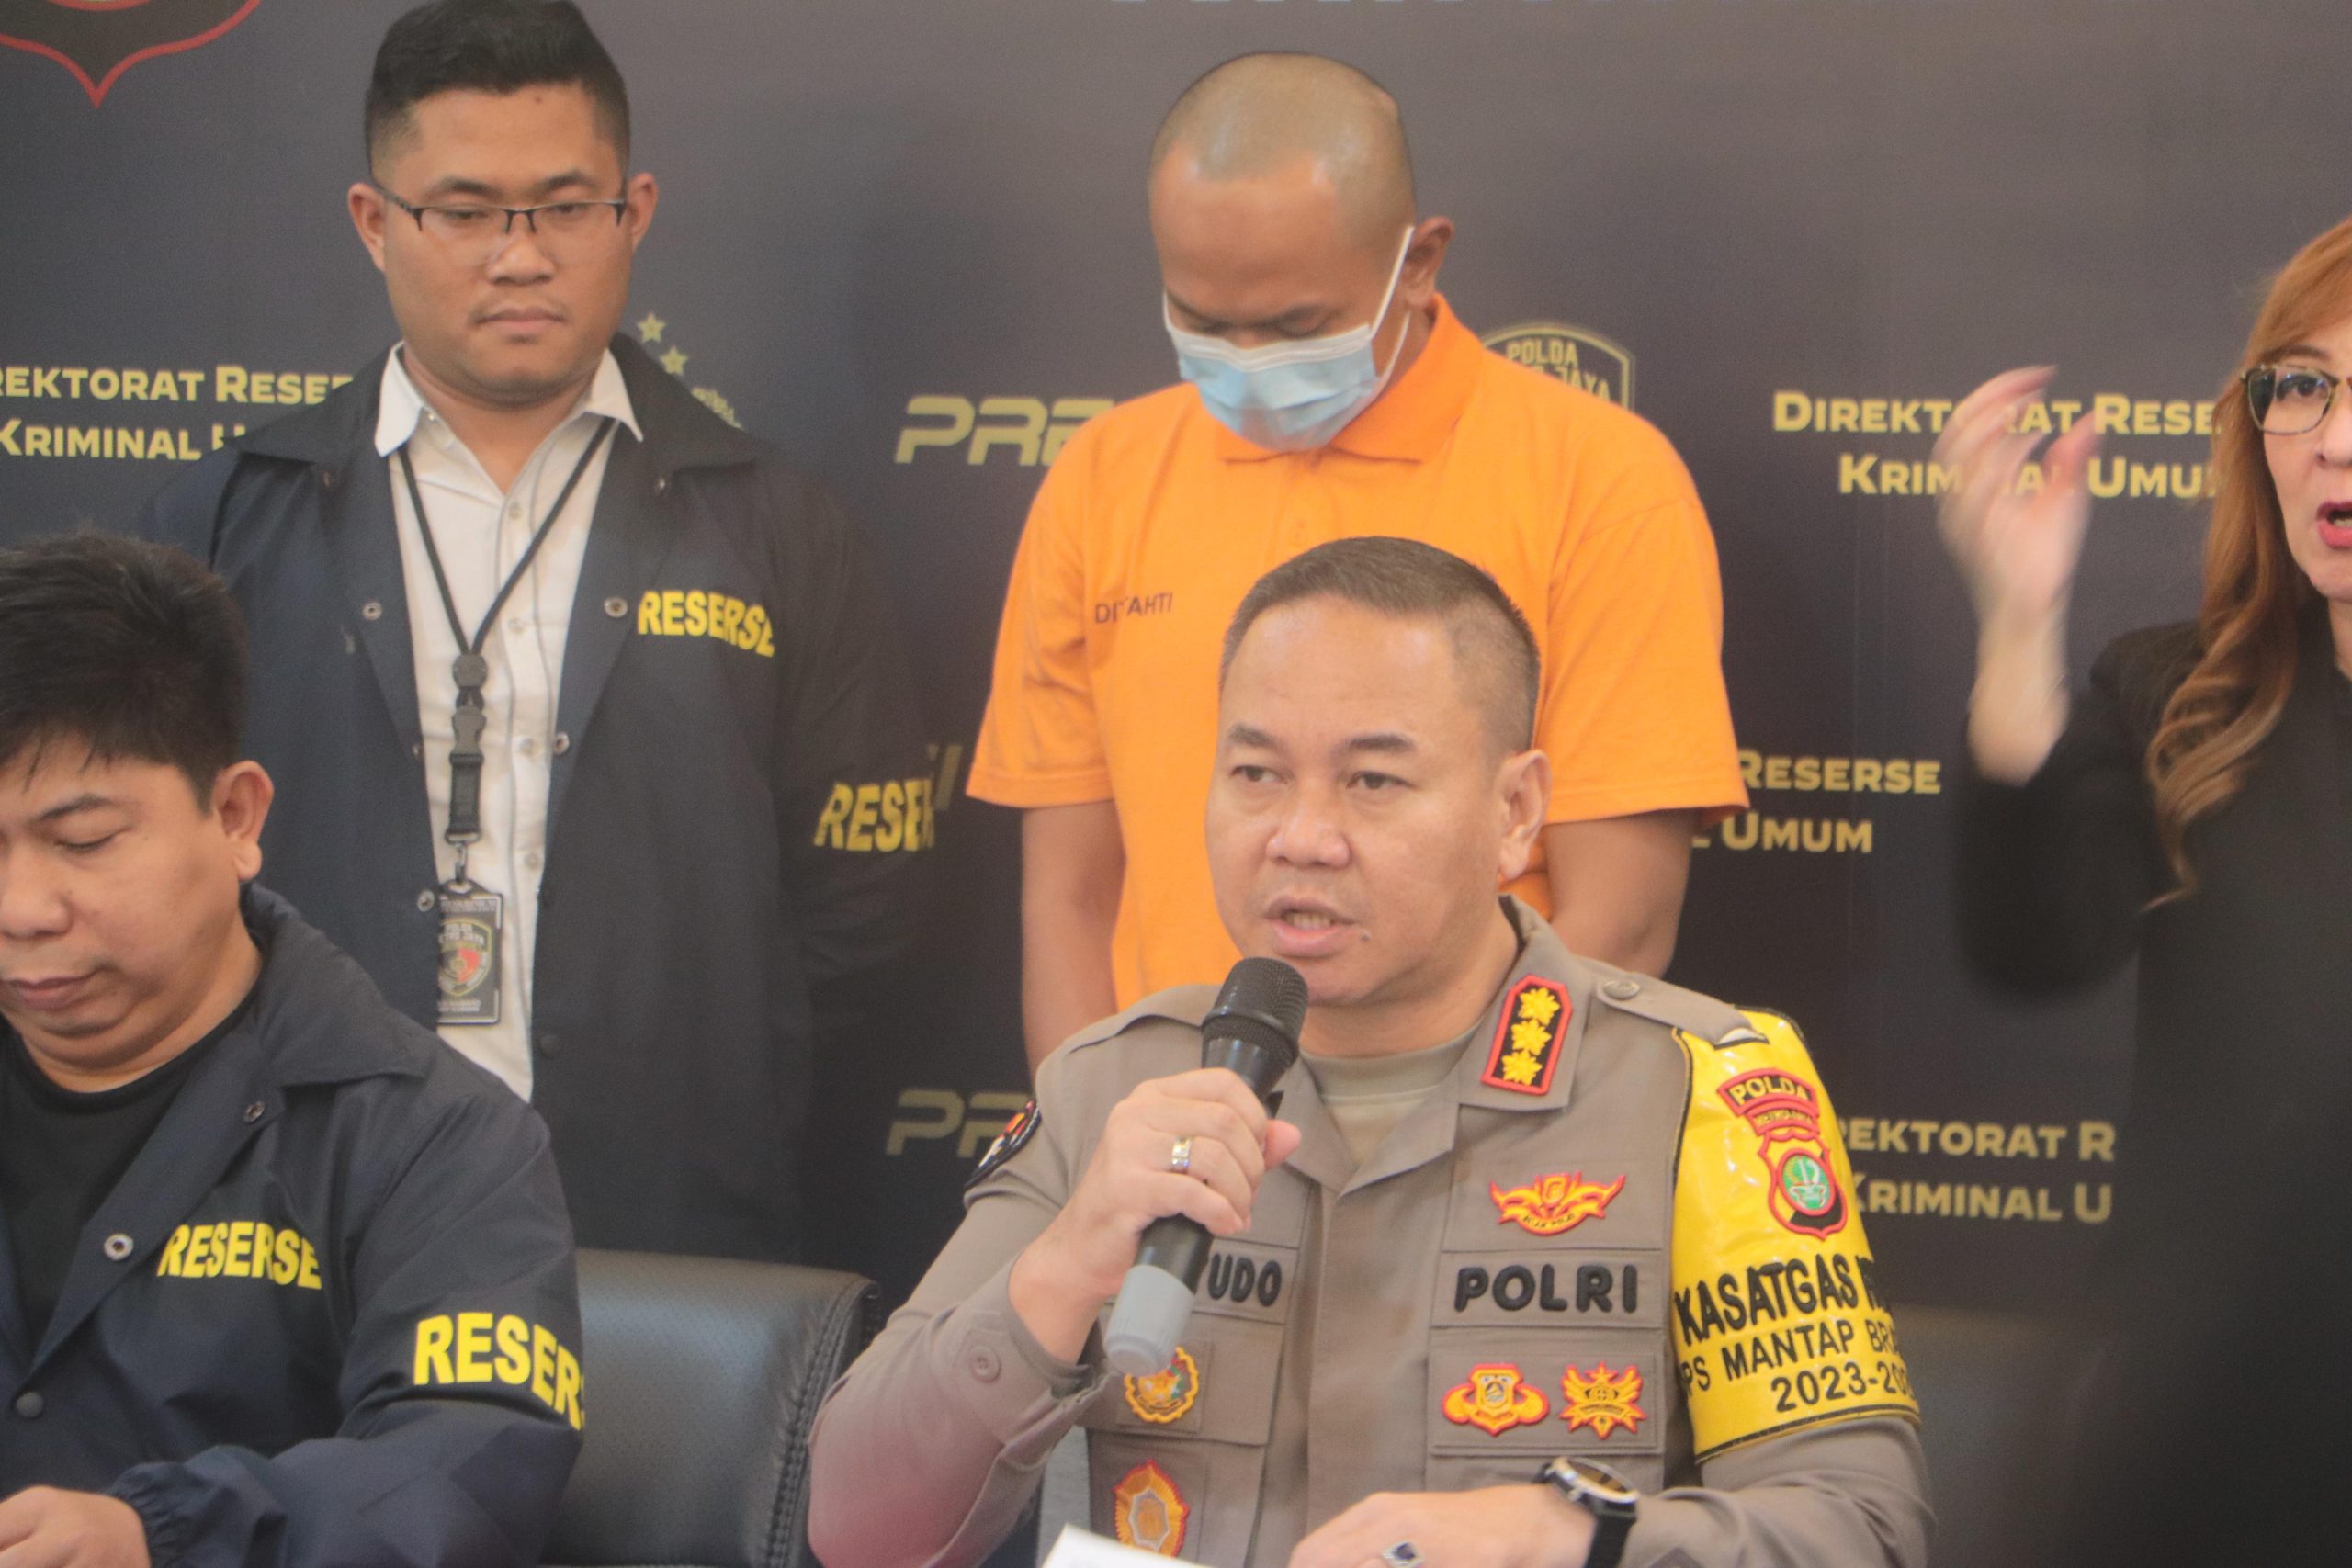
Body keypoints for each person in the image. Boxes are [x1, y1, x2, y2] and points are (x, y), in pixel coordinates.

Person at [810, 538, 1926, 1568]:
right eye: (1256, 774)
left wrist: (1562, 1539)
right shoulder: (1114, 1084)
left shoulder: (1697, 1088)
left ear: (1515, 811)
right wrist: (1063, 1266)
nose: (1300, 836)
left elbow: (1863, 1533)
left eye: (1372, 781)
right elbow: (859, 1529)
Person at [139, 0, 931, 1263]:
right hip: (306, 1211)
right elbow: (143, 870)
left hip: (668, 1228)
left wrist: (717, 1085)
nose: (519, 257)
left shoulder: (773, 523)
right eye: (463, 212)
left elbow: (860, 911)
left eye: (566, 207)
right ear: (374, 222)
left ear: (636, 213)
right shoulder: (231, 520)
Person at [970, 53, 1747, 1070]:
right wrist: (1097, 1130)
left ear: (1417, 263)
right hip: (1180, 1128)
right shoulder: (1102, 475)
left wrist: (1449, 1133)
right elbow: (1068, 897)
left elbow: (1623, 920)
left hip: (1475, 1132)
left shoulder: (1596, 479)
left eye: (1296, 326)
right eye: (1203, 322)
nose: (1248, 359)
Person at [0, 533, 582, 1568]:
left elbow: (466, 1461)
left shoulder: (435, 1139)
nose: (23, 909)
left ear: (234, 815)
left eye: (82, 841)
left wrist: (165, 1537)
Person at [1937, 215, 2352, 1566]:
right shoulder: (2185, 694)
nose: (2336, 441)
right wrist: (2017, 622)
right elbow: (2033, 941)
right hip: (2203, 1439)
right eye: (2304, 386)